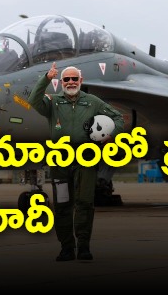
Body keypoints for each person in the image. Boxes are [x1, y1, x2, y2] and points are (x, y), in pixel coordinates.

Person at [29, 62, 125, 261]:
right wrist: (46, 78)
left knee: (84, 203)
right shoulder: (53, 103)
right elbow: (33, 100)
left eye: (74, 79)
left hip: (86, 158)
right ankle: (66, 248)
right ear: (61, 82)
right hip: (60, 160)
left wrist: (110, 134)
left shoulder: (93, 102)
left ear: (81, 81)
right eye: (66, 79)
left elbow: (118, 118)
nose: (71, 82)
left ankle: (83, 247)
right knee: (62, 203)